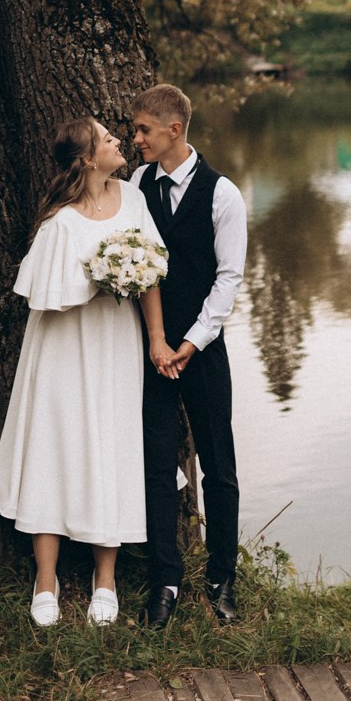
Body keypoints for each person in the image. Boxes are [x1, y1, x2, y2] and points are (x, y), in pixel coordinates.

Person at [0, 116, 172, 627]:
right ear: (88, 159)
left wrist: (156, 337)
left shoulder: (133, 199)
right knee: (53, 448)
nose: (118, 140)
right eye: (107, 139)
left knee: (111, 445)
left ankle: (104, 579)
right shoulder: (60, 222)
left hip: (115, 343)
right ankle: (45, 580)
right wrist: (102, 275)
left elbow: (152, 270)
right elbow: (45, 296)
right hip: (63, 347)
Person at [132, 83, 247, 628]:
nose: (137, 140)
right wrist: (159, 342)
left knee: (219, 467)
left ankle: (223, 580)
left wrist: (191, 342)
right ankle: (165, 581)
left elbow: (229, 280)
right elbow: (137, 263)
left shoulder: (223, 194)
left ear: (173, 129)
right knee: (157, 466)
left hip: (202, 350)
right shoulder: (137, 185)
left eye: (144, 130)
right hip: (151, 351)